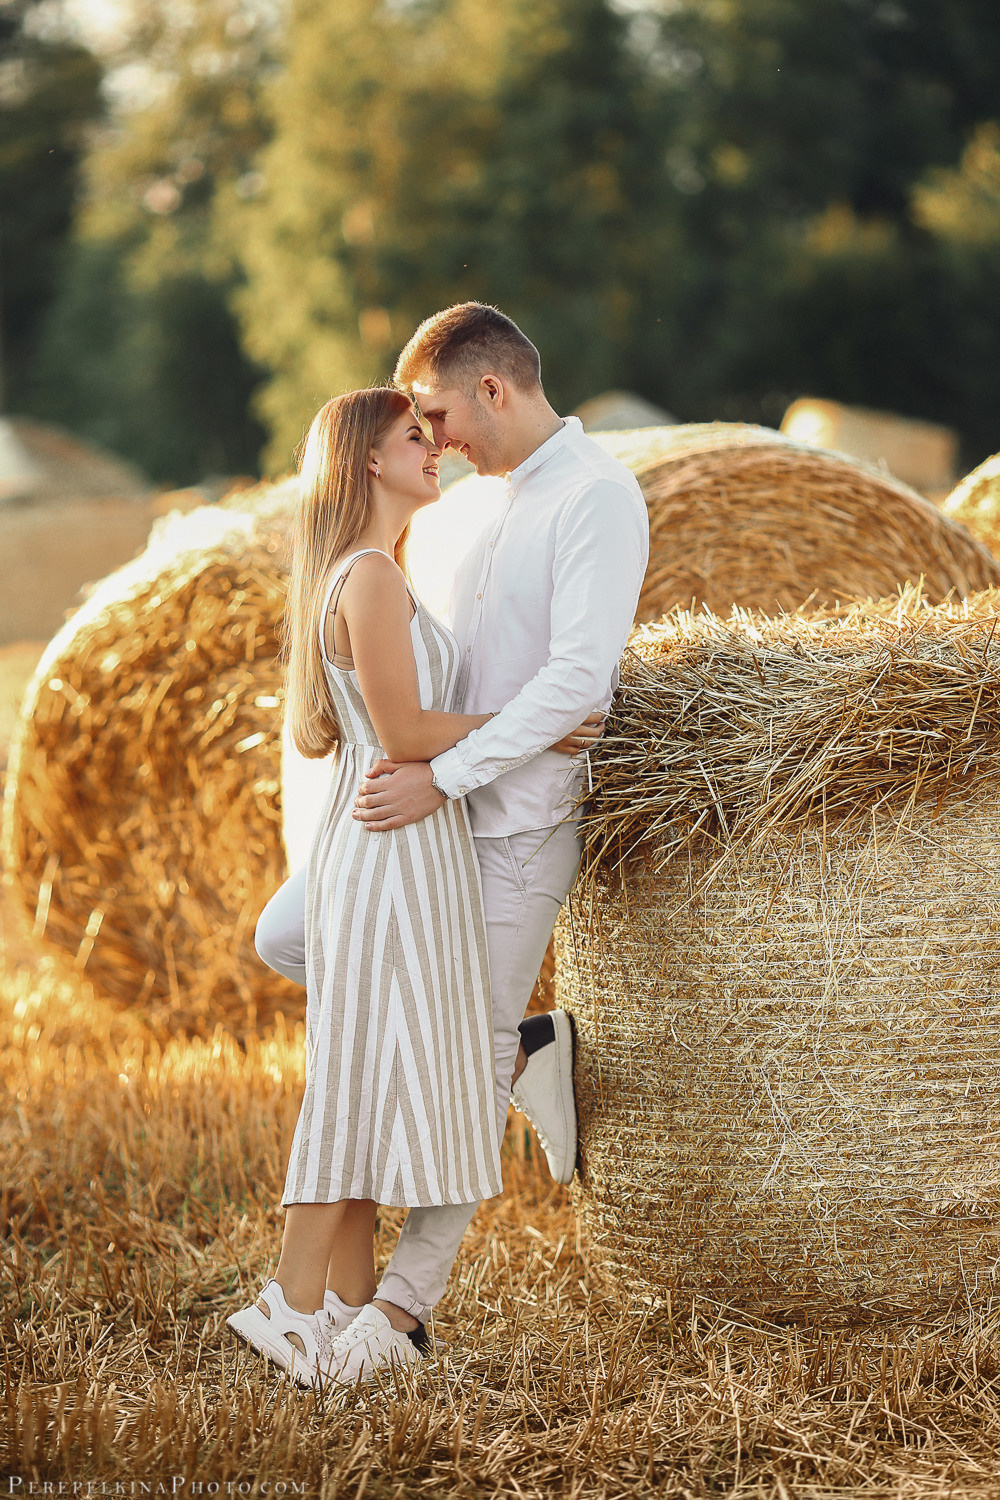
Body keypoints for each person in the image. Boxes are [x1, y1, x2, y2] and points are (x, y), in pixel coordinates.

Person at [254, 303, 649, 1384]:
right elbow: (407, 671)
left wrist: (443, 774)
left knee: (455, 1066)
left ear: (492, 389)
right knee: (296, 943)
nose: (434, 439)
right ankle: (523, 1046)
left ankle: (395, 1310)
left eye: (434, 414)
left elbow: (577, 685)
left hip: (510, 825)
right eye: (414, 430)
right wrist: (409, 774)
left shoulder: (596, 498)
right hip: (414, 830)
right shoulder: (461, 512)